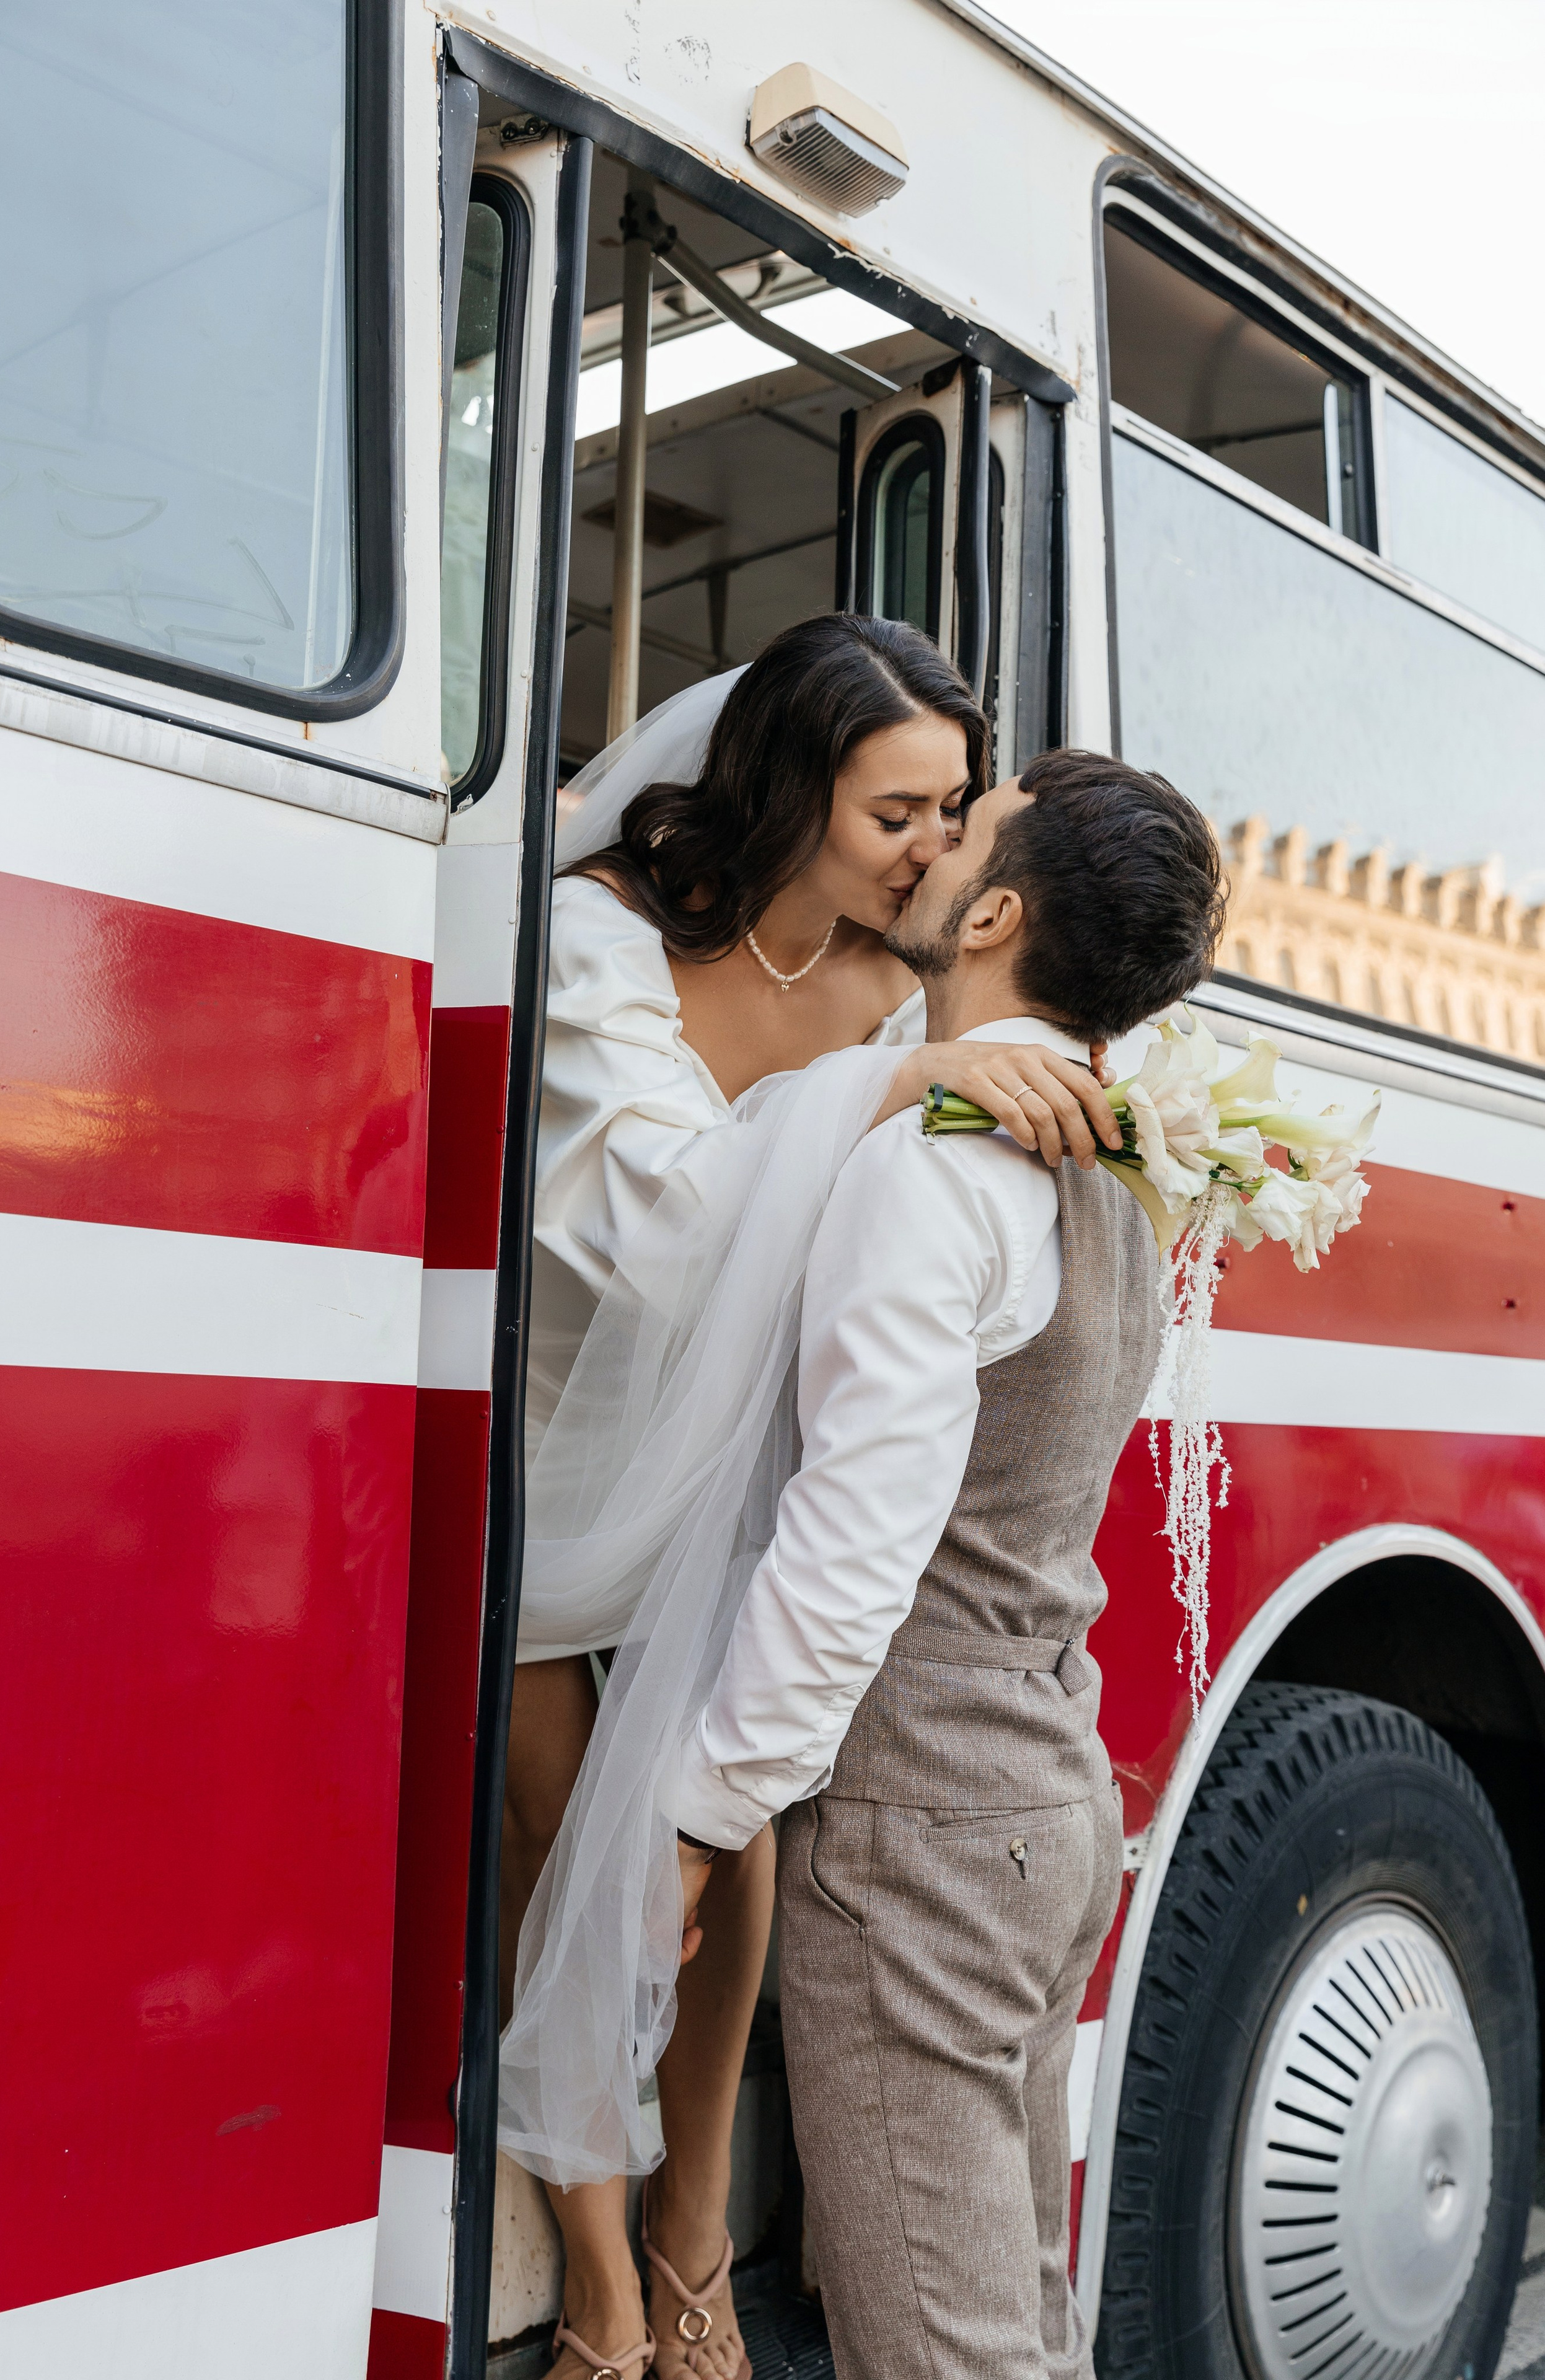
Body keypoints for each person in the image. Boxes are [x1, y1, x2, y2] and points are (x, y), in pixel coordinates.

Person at [500, 619, 1125, 2380]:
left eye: (954, 814)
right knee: (563, 1848)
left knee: (727, 1826)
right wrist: (898, 1083)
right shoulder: (599, 938)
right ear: (788, 787)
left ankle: (694, 2236)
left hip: (721, 1471)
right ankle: (595, 2266)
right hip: (551, 1456)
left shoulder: (888, 974)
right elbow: (653, 1223)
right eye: (896, 812)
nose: (935, 853)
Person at [660, 751, 1226, 2380]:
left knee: (949, 2350)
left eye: (961, 827)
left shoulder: (936, 1170)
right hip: (1044, 1794)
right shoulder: (1113, 1166)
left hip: (926, 1822)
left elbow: (855, 1549)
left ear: (992, 911)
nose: (923, 834)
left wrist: (706, 1820)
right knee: (1008, 2317)